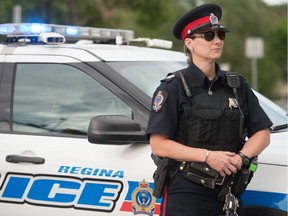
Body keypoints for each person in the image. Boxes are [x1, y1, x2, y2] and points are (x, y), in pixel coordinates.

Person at [146, 3, 272, 216]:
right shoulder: (173, 87)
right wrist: (207, 156)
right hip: (187, 193)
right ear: (189, 43)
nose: (217, 40)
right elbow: (158, 144)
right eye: (208, 35)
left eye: (220, 35)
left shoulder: (236, 86)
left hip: (228, 192)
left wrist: (241, 158)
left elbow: (262, 133)